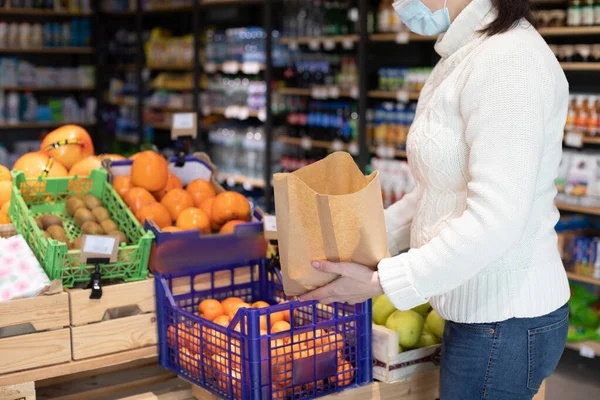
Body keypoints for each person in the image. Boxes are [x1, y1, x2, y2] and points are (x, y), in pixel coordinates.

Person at [299, 0, 571, 398]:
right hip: (478, 313)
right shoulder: (467, 52)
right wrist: (356, 242)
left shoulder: (509, 60)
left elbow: (497, 217)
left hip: (504, 322)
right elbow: (439, 191)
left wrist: (383, 281)